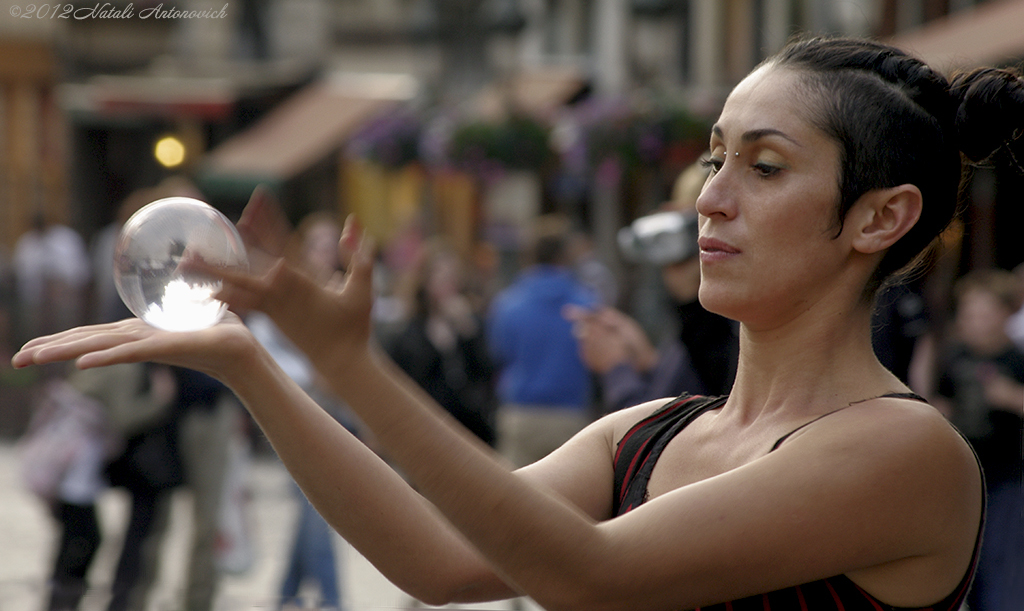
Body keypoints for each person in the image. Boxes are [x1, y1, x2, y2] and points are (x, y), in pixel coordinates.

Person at [18, 34, 1021, 609]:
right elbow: (432, 557)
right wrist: (258, 368)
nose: (710, 196)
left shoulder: (904, 450)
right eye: (715, 156)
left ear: (878, 216)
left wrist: (351, 361)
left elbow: (585, 570)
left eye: (764, 165)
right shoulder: (650, 428)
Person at [565, 162, 734, 413]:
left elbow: (654, 429)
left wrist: (616, 367)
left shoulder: (732, 323)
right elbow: (682, 384)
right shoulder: (695, 321)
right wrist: (645, 360)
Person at [247, 210, 352, 610]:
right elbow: (265, 344)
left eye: (332, 244)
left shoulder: (344, 293)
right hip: (295, 414)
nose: (325, 252)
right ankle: (333, 600)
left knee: (316, 509)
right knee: (317, 510)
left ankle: (287, 592)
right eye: (318, 243)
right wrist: (311, 374)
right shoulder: (286, 293)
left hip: (337, 416)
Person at [930, 269, 1024, 611]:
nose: (975, 322)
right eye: (968, 314)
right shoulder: (955, 357)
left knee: (1004, 557)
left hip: (1007, 476)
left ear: (1005, 314)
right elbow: (941, 401)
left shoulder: (1016, 359)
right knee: (967, 562)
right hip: (963, 476)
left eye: (983, 314)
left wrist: (1012, 397)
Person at [486, 214, 599, 468]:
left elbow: (499, 354)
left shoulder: (507, 304)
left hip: (521, 413)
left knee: (516, 497)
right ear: (563, 255)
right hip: (570, 414)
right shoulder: (587, 304)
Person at [387, 239, 497, 446]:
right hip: (424, 427)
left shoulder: (472, 323)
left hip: (469, 428)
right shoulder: (411, 329)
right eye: (440, 276)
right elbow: (406, 377)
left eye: (453, 277)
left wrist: (469, 334)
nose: (447, 283)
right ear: (425, 281)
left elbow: (486, 371)